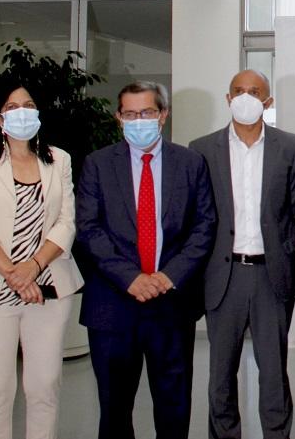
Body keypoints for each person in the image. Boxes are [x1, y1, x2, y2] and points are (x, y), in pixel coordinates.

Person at [76, 81, 217, 439]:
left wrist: (168, 276)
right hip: (113, 305)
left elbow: (204, 226)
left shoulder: (190, 162)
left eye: (148, 113)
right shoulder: (97, 164)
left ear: (163, 115)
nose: (139, 120)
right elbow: (89, 229)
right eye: (130, 114)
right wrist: (131, 278)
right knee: (114, 409)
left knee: (174, 406)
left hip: (171, 305)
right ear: (118, 118)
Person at [0, 76, 85, 439]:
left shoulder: (59, 159)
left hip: (48, 287)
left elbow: (66, 222)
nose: (21, 113)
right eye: (12, 107)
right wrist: (14, 273)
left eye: (28, 106)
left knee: (44, 387)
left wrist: (33, 267)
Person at [190, 69, 295, 439]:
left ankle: (276, 434)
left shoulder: (289, 146)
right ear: (228, 99)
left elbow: (292, 209)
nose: (245, 97)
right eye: (238, 91)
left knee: (274, 373)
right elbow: (199, 213)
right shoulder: (201, 149)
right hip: (222, 275)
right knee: (220, 375)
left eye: (254, 91)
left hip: (271, 274)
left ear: (267, 101)